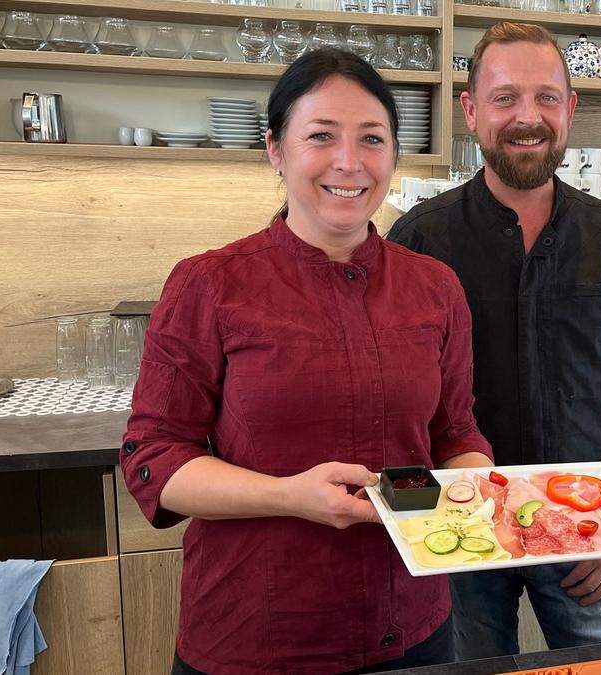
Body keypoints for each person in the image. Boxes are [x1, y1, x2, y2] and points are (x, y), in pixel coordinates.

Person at [120, 48, 493, 675]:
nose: (349, 162)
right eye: (321, 136)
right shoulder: (210, 284)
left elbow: (454, 432)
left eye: (372, 139)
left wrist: (475, 487)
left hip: (411, 623)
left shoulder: (436, 287)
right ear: (275, 148)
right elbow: (154, 459)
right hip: (258, 632)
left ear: (394, 155)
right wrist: (288, 495)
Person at [387, 22, 601, 659]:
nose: (528, 117)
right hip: (460, 533)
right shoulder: (419, 240)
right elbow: (392, 399)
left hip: (588, 530)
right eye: (505, 97)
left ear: (572, 109)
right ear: (470, 110)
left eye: (547, 97)